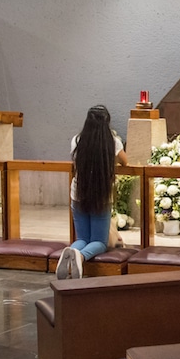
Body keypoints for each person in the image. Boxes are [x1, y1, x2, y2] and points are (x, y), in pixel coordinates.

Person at [56, 105, 128, 280]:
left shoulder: (77, 140)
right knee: (99, 242)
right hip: (101, 194)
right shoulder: (113, 141)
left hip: (79, 192)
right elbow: (125, 162)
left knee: (82, 238)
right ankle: (80, 257)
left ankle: (71, 251)